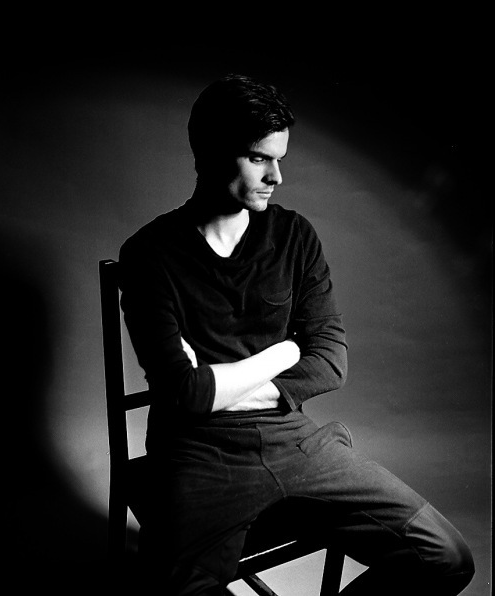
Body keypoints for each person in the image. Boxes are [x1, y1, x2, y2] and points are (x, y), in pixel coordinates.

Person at [118, 74, 474, 596]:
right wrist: (285, 351)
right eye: (259, 158)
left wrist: (218, 385)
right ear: (211, 153)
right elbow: (184, 394)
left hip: (296, 440)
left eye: (279, 159)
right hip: (198, 454)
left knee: (446, 557)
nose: (277, 176)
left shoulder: (294, 235)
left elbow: (330, 360)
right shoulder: (150, 253)